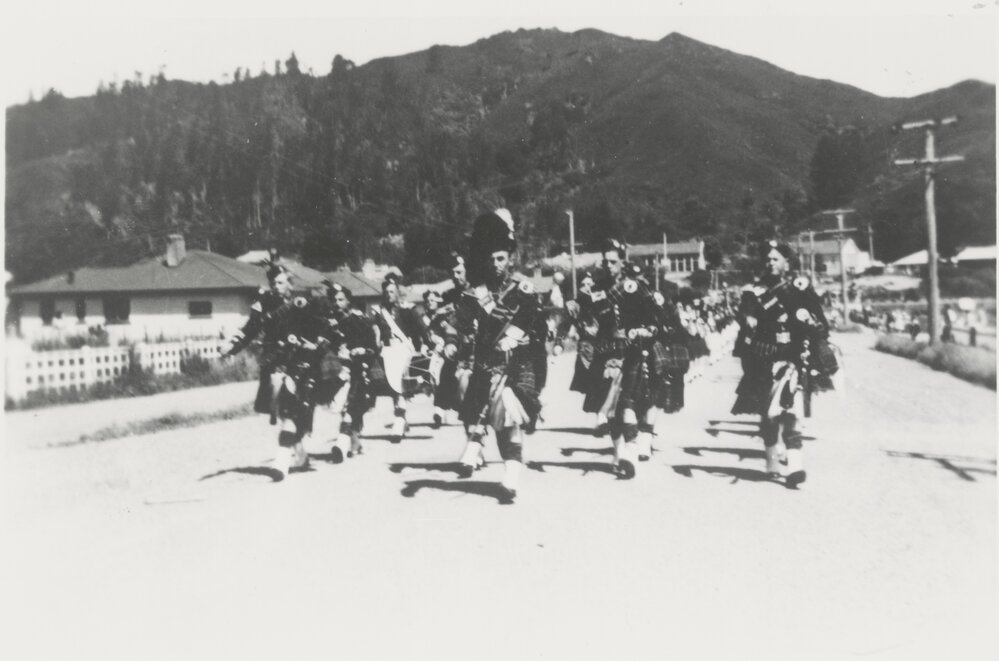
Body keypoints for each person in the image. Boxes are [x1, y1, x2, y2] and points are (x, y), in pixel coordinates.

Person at [453, 209, 543, 503]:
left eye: (501, 258)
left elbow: (535, 323)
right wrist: (454, 340)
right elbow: (461, 324)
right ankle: (504, 466)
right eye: (490, 259)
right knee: (498, 424)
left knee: (508, 416)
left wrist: (514, 337)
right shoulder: (475, 292)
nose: (496, 265)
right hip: (486, 365)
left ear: (511, 258)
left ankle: (511, 476)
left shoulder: (524, 289)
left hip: (518, 364)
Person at [730, 240, 833, 488]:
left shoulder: (800, 289)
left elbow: (820, 323)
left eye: (776, 259)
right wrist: (749, 320)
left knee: (792, 412)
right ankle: (771, 460)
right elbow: (745, 316)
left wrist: (813, 324)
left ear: (787, 262)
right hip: (764, 357)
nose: (771, 263)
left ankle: (795, 467)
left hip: (794, 357)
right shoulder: (754, 291)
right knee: (769, 415)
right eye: (768, 259)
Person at [224, 268, 325, 479]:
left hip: (300, 361)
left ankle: (281, 461)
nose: (277, 287)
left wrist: (311, 343)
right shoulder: (264, 305)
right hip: (274, 361)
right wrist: (231, 348)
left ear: (290, 284)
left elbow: (318, 328)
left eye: (281, 283)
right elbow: (250, 329)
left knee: (290, 408)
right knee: (283, 410)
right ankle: (300, 454)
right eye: (274, 283)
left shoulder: (303, 303)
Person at [319, 282, 380, 461]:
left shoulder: (359, 322)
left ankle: (341, 444)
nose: (336, 303)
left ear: (348, 302)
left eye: (340, 300)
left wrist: (362, 350)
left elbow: (372, 348)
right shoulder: (327, 324)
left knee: (350, 407)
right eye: (334, 300)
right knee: (342, 407)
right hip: (335, 372)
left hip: (357, 371)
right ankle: (354, 441)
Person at [370, 273, 428, 442]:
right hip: (387, 352)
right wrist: (376, 340)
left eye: (392, 291)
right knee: (393, 388)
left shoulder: (407, 310)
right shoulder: (378, 312)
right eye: (386, 292)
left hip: (403, 351)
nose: (389, 294)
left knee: (399, 388)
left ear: (397, 293)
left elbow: (421, 330)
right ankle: (401, 418)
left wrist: (424, 346)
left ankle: (399, 420)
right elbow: (374, 330)